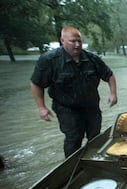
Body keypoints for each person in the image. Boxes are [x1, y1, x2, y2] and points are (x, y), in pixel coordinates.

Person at [30, 26, 117, 158]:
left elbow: (109, 75)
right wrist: (41, 107)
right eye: (72, 41)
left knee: (95, 135)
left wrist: (113, 94)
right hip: (66, 107)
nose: (77, 45)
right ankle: (71, 168)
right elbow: (36, 84)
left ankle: (94, 161)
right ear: (62, 40)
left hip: (91, 106)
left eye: (79, 41)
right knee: (74, 137)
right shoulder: (49, 60)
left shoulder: (92, 58)